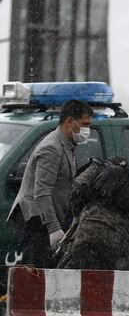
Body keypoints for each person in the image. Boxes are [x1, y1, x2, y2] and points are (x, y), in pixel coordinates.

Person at [8, 99, 94, 267]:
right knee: (36, 271)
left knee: (46, 270)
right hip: (35, 219)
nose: (87, 130)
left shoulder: (67, 144)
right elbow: (41, 193)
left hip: (44, 218)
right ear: (70, 121)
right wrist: (53, 228)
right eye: (85, 124)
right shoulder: (52, 148)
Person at [58, 158, 129, 271]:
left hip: (87, 232)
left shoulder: (97, 169)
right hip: (115, 242)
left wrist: (80, 211)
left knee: (66, 275)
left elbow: (78, 186)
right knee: (104, 280)